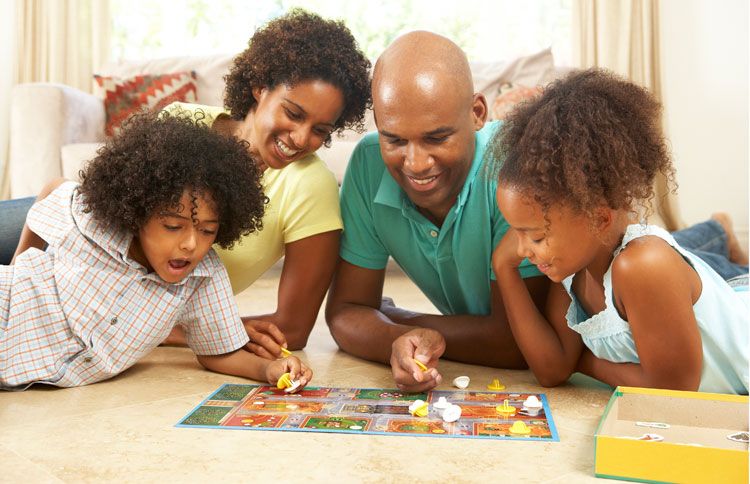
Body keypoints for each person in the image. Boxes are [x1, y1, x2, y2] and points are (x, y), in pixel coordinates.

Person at [1, 112, 312, 390]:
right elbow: (54, 189)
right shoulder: (93, 222)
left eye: (207, 230)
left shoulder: (203, 277)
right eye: (173, 227)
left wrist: (268, 369)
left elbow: (220, 352)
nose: (191, 244)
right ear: (138, 213)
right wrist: (18, 264)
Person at [490, 68, 748, 394]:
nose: (524, 249)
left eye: (536, 236)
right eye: (517, 233)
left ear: (599, 220)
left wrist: (584, 361)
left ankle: (722, 237)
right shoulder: (572, 272)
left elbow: (673, 392)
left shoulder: (643, 266)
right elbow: (552, 369)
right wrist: (503, 268)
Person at [325, 31, 548, 393]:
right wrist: (396, 340)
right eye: (394, 139)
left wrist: (397, 318)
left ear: (477, 113)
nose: (415, 164)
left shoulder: (514, 168)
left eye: (436, 138)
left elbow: (516, 342)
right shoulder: (368, 164)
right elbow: (345, 313)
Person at [159, 9, 371, 357]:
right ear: (260, 87)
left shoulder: (310, 185)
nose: (302, 139)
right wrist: (216, 329)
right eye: (293, 113)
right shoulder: (180, 122)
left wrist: (196, 330)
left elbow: (293, 328)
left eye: (320, 130)